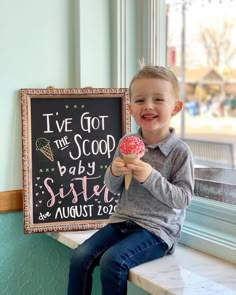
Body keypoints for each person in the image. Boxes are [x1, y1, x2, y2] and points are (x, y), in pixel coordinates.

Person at [67, 65, 194, 295]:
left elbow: (183, 199)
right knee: (80, 256)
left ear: (175, 107)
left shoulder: (179, 152)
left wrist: (150, 177)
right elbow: (112, 188)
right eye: (140, 100)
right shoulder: (127, 142)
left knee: (113, 261)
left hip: (157, 231)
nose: (148, 105)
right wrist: (114, 172)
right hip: (122, 220)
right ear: (130, 108)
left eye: (158, 99)